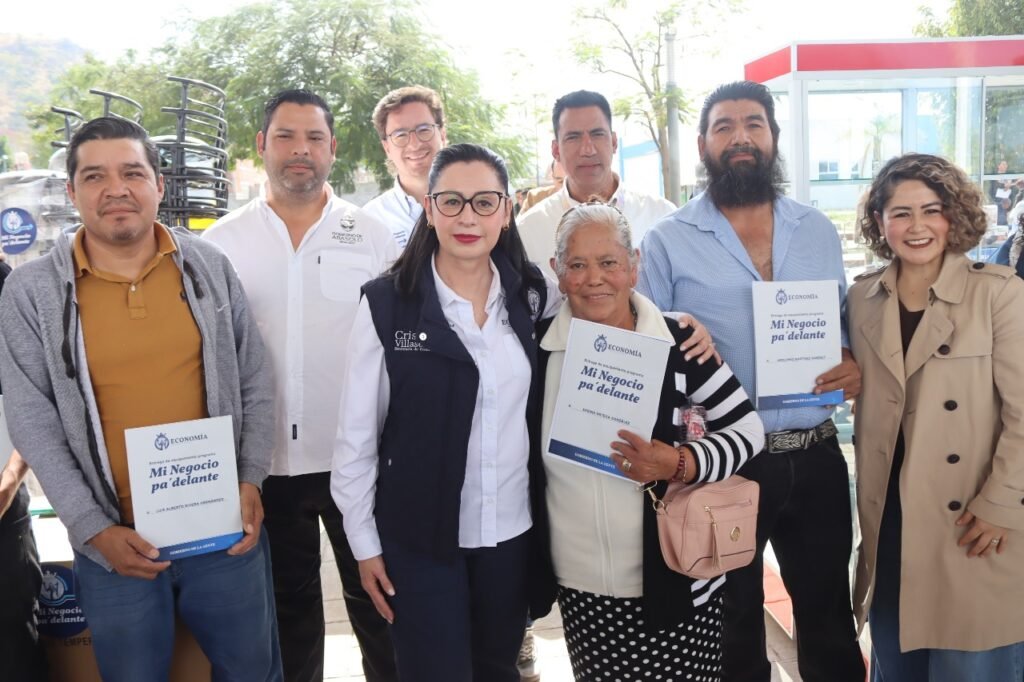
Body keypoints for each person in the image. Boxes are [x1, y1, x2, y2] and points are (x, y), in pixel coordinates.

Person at [0, 116, 282, 682]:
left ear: (158, 183)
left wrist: (249, 480)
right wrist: (92, 527)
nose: (116, 189)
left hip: (223, 531)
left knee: (253, 673)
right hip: (114, 544)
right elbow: (32, 416)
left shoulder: (207, 268)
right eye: (95, 176)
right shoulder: (30, 293)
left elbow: (253, 375)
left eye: (133, 172)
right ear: (71, 191)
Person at [638, 80, 866, 682]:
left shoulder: (816, 229)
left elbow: (843, 327)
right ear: (703, 144)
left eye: (753, 124)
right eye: (724, 126)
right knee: (731, 626)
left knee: (828, 620)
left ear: (773, 137)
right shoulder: (667, 240)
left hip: (815, 456)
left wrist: (850, 362)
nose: (741, 137)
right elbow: (649, 355)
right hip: (727, 465)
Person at [331, 143, 562, 682]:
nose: (467, 217)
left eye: (485, 203)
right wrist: (364, 546)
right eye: (451, 202)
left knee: (498, 668)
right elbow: (356, 442)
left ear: (506, 212)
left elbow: (606, 300)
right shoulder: (387, 303)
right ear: (429, 210)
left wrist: (677, 323)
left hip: (510, 535)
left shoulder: (531, 297)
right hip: (419, 541)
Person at [204, 90, 398, 682]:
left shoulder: (373, 236)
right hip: (266, 470)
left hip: (358, 462)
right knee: (289, 623)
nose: (300, 151)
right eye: (285, 136)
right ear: (261, 145)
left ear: (333, 149)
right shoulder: (220, 245)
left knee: (383, 611)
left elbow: (400, 351)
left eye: (314, 138)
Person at [536, 200, 765, 681]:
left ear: (634, 266)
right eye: (577, 264)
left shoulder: (681, 342)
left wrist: (681, 462)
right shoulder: (537, 350)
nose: (594, 278)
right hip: (582, 590)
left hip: (675, 577)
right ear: (558, 272)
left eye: (609, 263)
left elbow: (748, 431)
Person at [849, 153, 1024, 681]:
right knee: (897, 663)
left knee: (971, 666)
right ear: (879, 222)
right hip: (893, 520)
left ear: (954, 216)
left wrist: (1000, 503)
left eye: (931, 210)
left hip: (971, 519)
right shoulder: (862, 298)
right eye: (900, 213)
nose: (917, 226)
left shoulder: (998, 293)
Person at [518, 91, 675, 279]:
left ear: (614, 142)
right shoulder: (528, 232)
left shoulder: (661, 217)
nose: (587, 149)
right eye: (573, 137)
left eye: (597, 134)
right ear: (556, 150)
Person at [361, 86, 448, 250]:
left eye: (424, 130)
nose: (415, 144)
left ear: (442, 135)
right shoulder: (369, 220)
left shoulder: (482, 204)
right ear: (386, 148)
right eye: (400, 135)